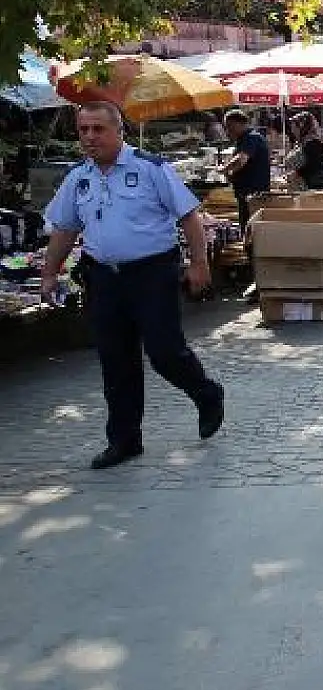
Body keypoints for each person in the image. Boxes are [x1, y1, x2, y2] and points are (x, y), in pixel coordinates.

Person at [39, 102, 225, 469]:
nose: (90, 137)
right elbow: (65, 228)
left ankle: (206, 393)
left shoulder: (151, 168)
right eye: (83, 130)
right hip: (104, 277)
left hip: (153, 273)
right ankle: (124, 440)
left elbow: (189, 215)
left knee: (165, 351)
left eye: (98, 129)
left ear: (118, 131)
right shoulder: (79, 177)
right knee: (115, 360)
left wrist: (199, 264)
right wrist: (49, 272)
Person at [219, 110, 270, 230]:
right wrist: (231, 174)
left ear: (238, 123)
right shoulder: (245, 139)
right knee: (248, 227)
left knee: (251, 228)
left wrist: (224, 169)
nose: (228, 131)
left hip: (253, 194)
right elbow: (241, 164)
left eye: (229, 126)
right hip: (247, 193)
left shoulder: (251, 137)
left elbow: (241, 159)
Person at [288, 114, 323, 191]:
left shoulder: (313, 142)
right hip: (309, 184)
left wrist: (297, 173)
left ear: (302, 126)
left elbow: (314, 164)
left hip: (317, 185)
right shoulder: (303, 142)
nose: (292, 130)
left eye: (293, 127)